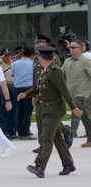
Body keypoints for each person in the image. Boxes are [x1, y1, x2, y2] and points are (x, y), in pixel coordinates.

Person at [18, 45, 83, 178]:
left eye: (38, 57)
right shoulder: (45, 71)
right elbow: (37, 88)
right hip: (45, 110)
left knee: (46, 138)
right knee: (58, 139)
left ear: (42, 58)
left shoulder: (55, 72)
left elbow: (64, 91)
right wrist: (26, 94)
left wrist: (74, 107)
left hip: (54, 111)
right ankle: (68, 164)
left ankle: (40, 166)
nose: (37, 59)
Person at [61, 40, 91, 147]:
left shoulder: (86, 61)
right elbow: (60, 74)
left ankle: (69, 138)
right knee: (84, 116)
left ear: (79, 48)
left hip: (82, 92)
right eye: (70, 47)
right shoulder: (67, 61)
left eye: (73, 47)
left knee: (75, 114)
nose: (71, 49)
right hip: (70, 93)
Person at [11, 47, 35, 140]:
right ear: (32, 55)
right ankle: (25, 133)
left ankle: (20, 132)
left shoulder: (15, 63)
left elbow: (13, 74)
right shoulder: (33, 64)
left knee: (19, 111)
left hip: (17, 88)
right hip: (28, 89)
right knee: (27, 112)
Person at [0, 48, 18, 139]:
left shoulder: (14, 63)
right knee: (4, 111)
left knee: (14, 111)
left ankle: (13, 132)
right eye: (5, 55)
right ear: (2, 56)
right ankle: (5, 132)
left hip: (14, 88)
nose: (8, 57)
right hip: (4, 89)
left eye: (9, 55)